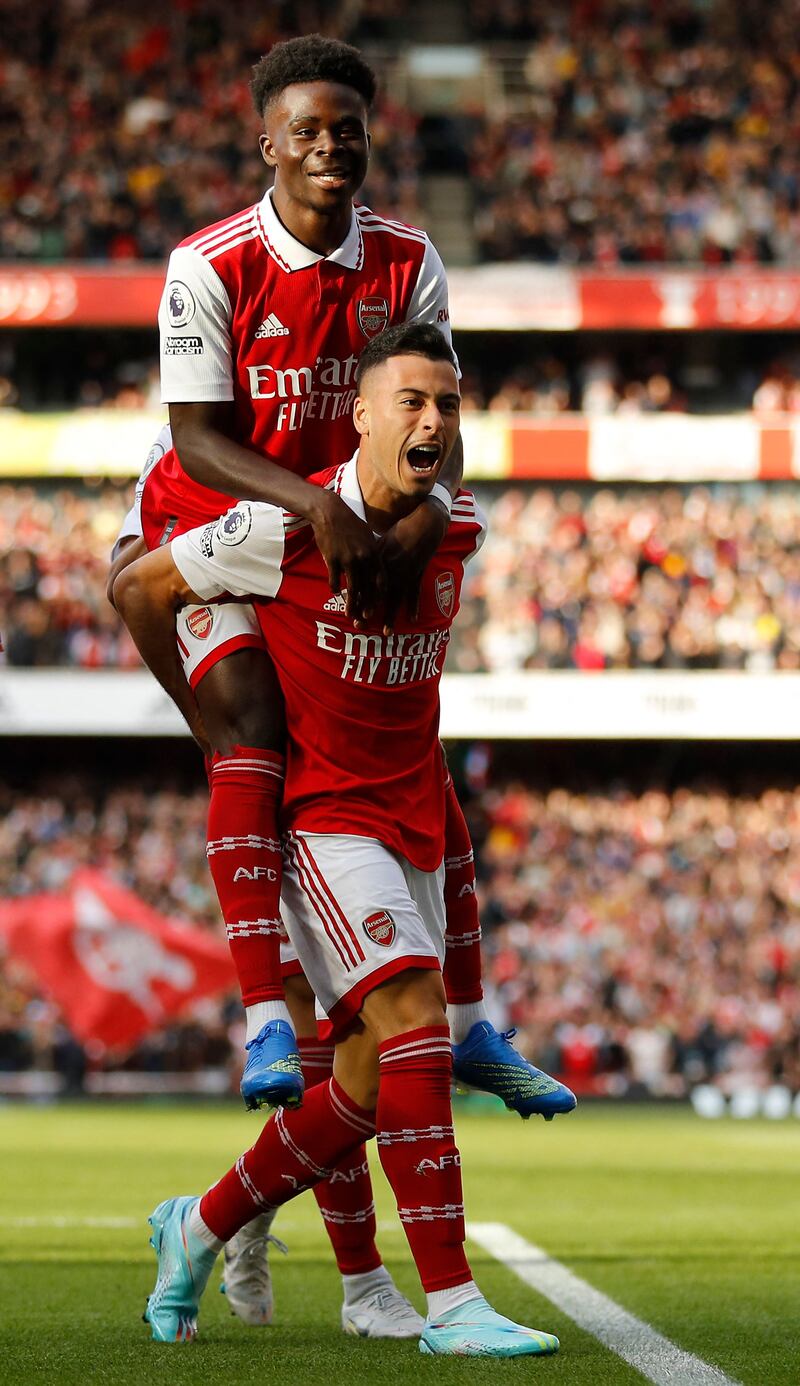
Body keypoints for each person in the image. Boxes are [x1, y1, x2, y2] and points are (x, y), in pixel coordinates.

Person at [111, 30, 574, 1126]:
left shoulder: (408, 257)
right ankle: (263, 1008)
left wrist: (421, 517)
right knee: (252, 739)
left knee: (406, 736)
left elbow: (436, 412)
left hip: (350, 523)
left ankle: (463, 1024)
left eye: (347, 130)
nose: (329, 146)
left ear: (371, 140)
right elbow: (194, 442)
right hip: (227, 521)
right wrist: (318, 504)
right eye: (307, 130)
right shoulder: (208, 262)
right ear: (265, 139)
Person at [115, 323, 561, 1358]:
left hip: (409, 811)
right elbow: (138, 588)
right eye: (409, 401)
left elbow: (443, 501)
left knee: (358, 1090)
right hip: (321, 819)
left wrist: (430, 501)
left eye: (446, 406)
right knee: (412, 1020)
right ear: (358, 413)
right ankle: (449, 1304)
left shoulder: (456, 524)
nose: (432, 421)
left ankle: (200, 1224)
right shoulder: (279, 531)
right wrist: (212, 729)